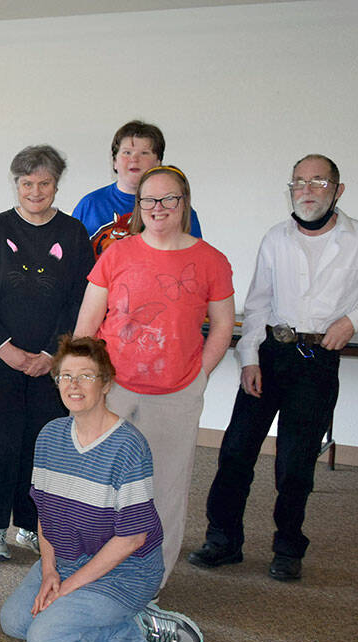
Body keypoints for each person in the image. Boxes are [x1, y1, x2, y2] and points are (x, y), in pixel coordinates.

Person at [190, 155, 358, 582]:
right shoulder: (276, 239)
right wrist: (248, 358)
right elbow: (257, 305)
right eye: (299, 182)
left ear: (337, 190)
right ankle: (223, 540)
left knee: (294, 462)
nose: (307, 190)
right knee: (235, 452)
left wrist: (352, 322)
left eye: (318, 182)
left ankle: (288, 546)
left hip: (317, 359)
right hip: (270, 354)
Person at [74, 165, 235, 586]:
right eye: (149, 200)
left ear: (184, 203)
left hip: (176, 394)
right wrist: (82, 382)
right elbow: (87, 325)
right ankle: (95, 573)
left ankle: (150, 583)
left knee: (164, 490)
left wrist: (199, 376)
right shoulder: (117, 255)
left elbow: (222, 326)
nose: (159, 208)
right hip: (113, 391)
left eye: (169, 199)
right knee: (102, 487)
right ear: (138, 207)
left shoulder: (210, 260)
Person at [0, 336, 203, 642]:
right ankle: (86, 608)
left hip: (125, 570)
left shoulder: (128, 447)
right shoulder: (50, 436)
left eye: (86, 376)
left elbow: (132, 538)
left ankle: (140, 627)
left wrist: (67, 588)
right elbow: (46, 514)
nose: (74, 385)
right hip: (66, 559)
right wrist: (50, 571)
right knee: (14, 622)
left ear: (106, 384)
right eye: (66, 376)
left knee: (46, 638)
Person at [0, 144, 93, 561]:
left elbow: (83, 299)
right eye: (26, 183)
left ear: (57, 185)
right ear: (16, 185)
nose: (35, 191)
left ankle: (32, 526)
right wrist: (7, 350)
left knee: (42, 443)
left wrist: (52, 354)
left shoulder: (73, 235)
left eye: (44, 183)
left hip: (52, 364)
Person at [72, 120, 202, 255]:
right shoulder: (89, 205)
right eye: (127, 152)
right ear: (115, 161)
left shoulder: (175, 209)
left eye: (144, 153)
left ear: (158, 163)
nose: (134, 159)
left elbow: (196, 259)